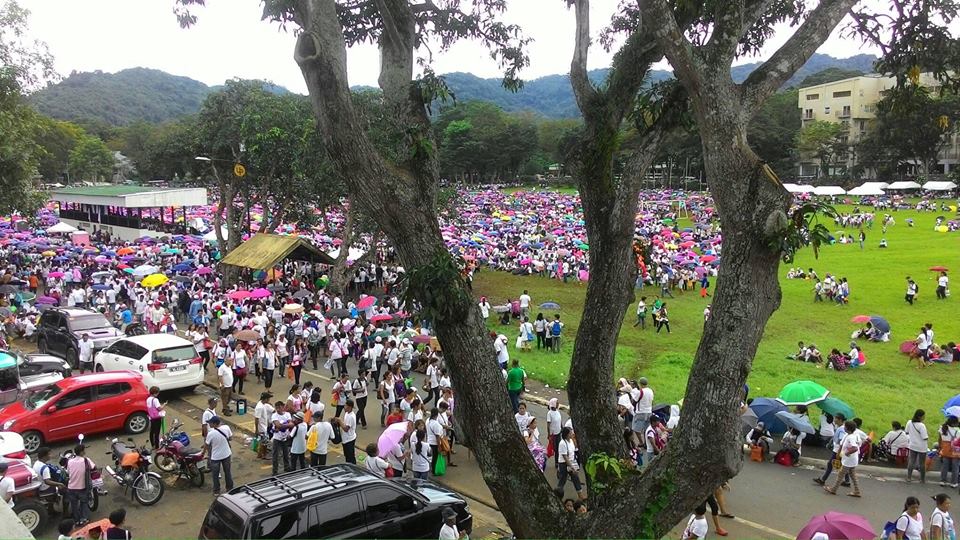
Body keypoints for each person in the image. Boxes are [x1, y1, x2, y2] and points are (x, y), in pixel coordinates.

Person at [824, 420, 862, 497]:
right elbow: (842, 445)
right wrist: (839, 453)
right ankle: (857, 491)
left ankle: (834, 489)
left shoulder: (851, 437)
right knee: (852, 475)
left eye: (845, 426)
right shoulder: (847, 435)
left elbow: (855, 448)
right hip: (850, 460)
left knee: (840, 474)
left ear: (848, 428)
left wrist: (846, 453)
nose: (843, 427)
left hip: (849, 460)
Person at [65, 443, 95, 526]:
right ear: (81, 452)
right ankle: (83, 519)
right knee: (84, 503)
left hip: (71, 487)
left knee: (74, 505)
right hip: (82, 488)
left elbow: (68, 472)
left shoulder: (70, 461)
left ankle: (76, 520)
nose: (84, 452)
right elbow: (93, 467)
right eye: (84, 450)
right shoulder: (86, 460)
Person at [204, 415, 233, 495]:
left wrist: (203, 453)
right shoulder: (226, 428)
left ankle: (216, 491)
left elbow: (206, 445)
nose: (209, 424)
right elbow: (230, 438)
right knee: (227, 472)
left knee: (215, 475)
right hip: (227, 454)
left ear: (214, 424)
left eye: (210, 423)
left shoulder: (211, 434)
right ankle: (229, 488)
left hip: (215, 457)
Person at [556, 426, 586, 500]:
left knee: (575, 478)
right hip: (564, 463)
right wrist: (571, 466)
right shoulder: (562, 443)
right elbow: (565, 456)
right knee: (563, 479)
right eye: (570, 433)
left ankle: (580, 495)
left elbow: (574, 449)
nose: (572, 433)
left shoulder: (571, 441)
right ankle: (558, 494)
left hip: (571, 461)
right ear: (566, 434)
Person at [907, 409, 930, 483]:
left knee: (911, 461)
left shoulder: (909, 422)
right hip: (922, 447)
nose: (924, 417)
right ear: (920, 417)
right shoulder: (922, 426)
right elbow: (925, 437)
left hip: (912, 445)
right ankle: (922, 479)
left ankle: (909, 477)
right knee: (922, 463)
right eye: (923, 416)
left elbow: (906, 431)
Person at [270, 401, 293, 475]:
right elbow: (278, 425)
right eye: (277, 408)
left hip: (285, 437)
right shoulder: (274, 415)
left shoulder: (287, 414)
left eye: (279, 407)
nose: (278, 409)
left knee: (286, 454)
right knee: (275, 456)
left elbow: (291, 424)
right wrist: (287, 425)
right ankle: (275, 471)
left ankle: (287, 467)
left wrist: (281, 426)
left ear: (283, 407)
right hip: (277, 438)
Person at [940, 417, 960, 488]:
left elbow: (940, 439)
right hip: (955, 451)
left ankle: (943, 481)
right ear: (953, 423)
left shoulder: (942, 428)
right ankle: (953, 482)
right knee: (955, 467)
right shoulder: (957, 431)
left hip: (945, 449)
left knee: (944, 466)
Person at [341, 399, 358, 464]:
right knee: (347, 456)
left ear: (349, 407)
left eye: (345, 405)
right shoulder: (347, 413)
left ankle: (353, 469)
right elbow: (345, 423)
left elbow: (346, 429)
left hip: (349, 439)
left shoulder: (351, 416)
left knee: (350, 456)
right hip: (345, 439)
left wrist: (340, 422)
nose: (344, 407)